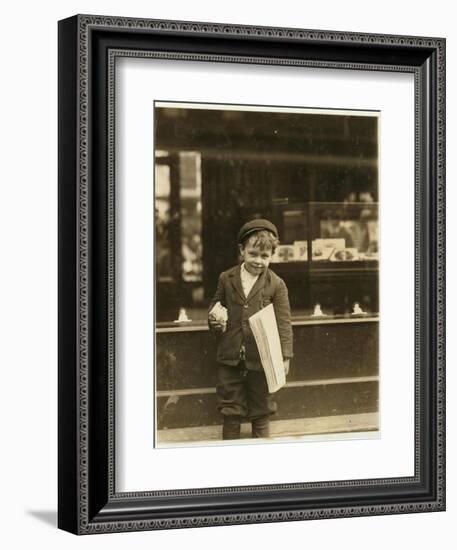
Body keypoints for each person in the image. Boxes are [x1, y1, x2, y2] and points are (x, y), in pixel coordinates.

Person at [208, 219, 293, 440]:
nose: (258, 261)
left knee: (261, 409)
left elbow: (284, 322)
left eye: (265, 257)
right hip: (231, 356)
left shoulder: (276, 284)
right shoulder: (226, 279)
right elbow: (216, 305)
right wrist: (215, 319)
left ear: (273, 255)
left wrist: (285, 357)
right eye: (253, 254)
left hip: (262, 358)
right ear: (242, 251)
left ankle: (261, 457)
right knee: (231, 409)